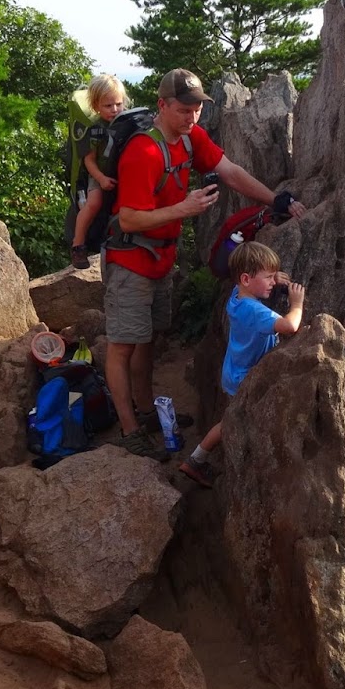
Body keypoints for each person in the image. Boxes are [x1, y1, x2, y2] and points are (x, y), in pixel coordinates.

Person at [103, 67, 306, 460]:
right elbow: (128, 217)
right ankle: (129, 430)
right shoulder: (143, 152)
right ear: (162, 106)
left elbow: (230, 172)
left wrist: (274, 200)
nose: (193, 117)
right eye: (183, 109)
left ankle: (147, 413)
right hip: (130, 259)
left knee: (149, 338)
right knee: (123, 345)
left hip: (160, 257)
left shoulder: (191, 137)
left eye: (197, 109)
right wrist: (184, 207)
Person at [180, 241, 305, 487]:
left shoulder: (236, 297)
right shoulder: (254, 311)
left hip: (233, 371)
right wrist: (297, 304)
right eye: (268, 277)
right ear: (247, 278)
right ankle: (203, 462)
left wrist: (272, 277)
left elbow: (252, 286)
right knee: (236, 421)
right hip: (246, 377)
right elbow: (290, 326)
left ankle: (196, 459)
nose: (272, 281)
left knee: (229, 419)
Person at [68, 73, 128, 270]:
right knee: (94, 203)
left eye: (118, 104)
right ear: (96, 106)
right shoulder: (95, 129)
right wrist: (101, 179)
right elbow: (89, 160)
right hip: (99, 173)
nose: (114, 109)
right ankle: (78, 245)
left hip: (120, 171)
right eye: (108, 106)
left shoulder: (126, 122)